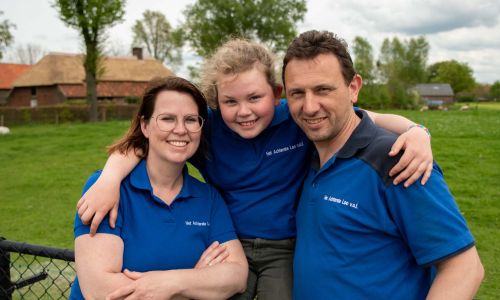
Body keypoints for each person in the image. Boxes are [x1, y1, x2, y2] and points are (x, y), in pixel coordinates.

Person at [76, 39, 435, 300]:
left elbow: (368, 121)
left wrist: (417, 132)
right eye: (230, 101)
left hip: (285, 247)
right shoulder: (207, 128)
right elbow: (144, 144)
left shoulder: (297, 118)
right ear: (217, 102)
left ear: (276, 94)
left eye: (255, 98)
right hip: (229, 244)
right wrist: (108, 179)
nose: (244, 111)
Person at [283, 30, 484, 299]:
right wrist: (416, 126)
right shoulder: (302, 152)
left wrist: (418, 131)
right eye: (297, 93)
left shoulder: (398, 160)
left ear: (353, 88)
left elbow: (464, 268)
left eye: (323, 90)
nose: (309, 107)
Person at [70, 77, 248, 300]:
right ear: (145, 126)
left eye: (191, 120)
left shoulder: (208, 198)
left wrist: (172, 282)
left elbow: (237, 275)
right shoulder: (107, 190)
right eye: (167, 119)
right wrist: (195, 283)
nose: (181, 130)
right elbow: (102, 292)